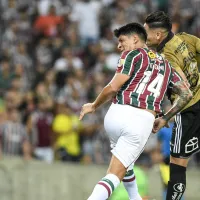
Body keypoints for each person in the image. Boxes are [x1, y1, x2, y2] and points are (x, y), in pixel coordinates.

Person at [79, 22, 192, 200]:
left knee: (126, 164)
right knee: (114, 174)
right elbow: (186, 94)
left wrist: (94, 105)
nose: (119, 45)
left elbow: (113, 87)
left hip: (115, 114)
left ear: (135, 39)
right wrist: (165, 118)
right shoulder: (167, 66)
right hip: (139, 120)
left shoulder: (132, 55)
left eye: (122, 40)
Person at [144, 11, 200, 199]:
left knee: (177, 162)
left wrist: (165, 118)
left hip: (190, 112)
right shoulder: (186, 39)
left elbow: (185, 93)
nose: (144, 37)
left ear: (158, 35)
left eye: (146, 32)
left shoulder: (165, 57)